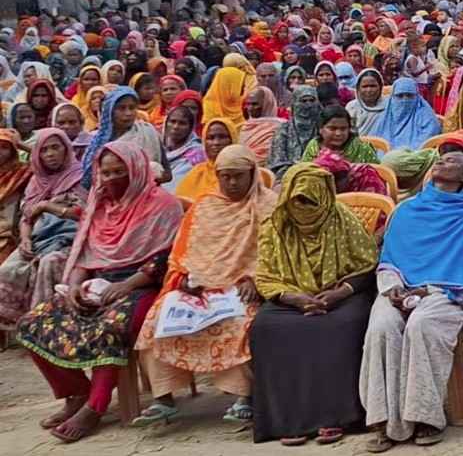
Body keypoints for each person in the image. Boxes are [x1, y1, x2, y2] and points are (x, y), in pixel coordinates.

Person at [15, 142, 183, 444]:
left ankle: (96, 405)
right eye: (106, 173)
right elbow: (85, 254)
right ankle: (77, 392)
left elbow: (167, 258)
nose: (111, 179)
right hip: (98, 283)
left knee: (112, 326)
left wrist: (126, 285)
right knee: (32, 323)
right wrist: (74, 286)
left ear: (136, 171)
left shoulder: (163, 205)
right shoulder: (99, 205)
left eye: (119, 172)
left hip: (144, 285)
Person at [132, 143, 276, 426]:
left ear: (252, 174)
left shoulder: (269, 206)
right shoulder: (204, 206)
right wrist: (184, 278)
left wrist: (255, 280)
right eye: (225, 176)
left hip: (242, 287)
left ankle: (243, 397)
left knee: (240, 320)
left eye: (238, 176)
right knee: (157, 317)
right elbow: (182, 251)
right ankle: (164, 399)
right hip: (199, 286)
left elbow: (276, 254)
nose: (231, 183)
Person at [360, 150, 463, 451]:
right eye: (440, 160)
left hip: (444, 292)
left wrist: (428, 290)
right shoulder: (406, 210)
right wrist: (393, 288)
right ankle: (384, 420)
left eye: (452, 161)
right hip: (399, 288)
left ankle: (425, 417)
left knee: (422, 325)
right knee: (381, 326)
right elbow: (389, 259)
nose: (441, 162)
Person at [250, 163, 379, 445]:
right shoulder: (275, 225)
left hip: (342, 293)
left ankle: (339, 417)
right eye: (298, 200)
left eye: (311, 200)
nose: (304, 207)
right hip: (290, 295)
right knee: (266, 327)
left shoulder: (343, 220)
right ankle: (287, 420)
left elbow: (367, 264)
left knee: (343, 327)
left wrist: (338, 294)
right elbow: (266, 274)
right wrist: (293, 298)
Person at [0, 128, 85, 330]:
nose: (50, 154)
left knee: (49, 263)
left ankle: (44, 325)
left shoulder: (80, 177)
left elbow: (85, 214)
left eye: (55, 148)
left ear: (66, 149)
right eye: (44, 150)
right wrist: (25, 240)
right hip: (39, 238)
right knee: (8, 269)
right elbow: (27, 218)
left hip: (72, 239)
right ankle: (15, 328)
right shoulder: (35, 181)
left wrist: (48, 206)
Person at [365, 77, 442, 152]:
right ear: (392, 97)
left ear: (417, 96)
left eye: (409, 95)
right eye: (400, 96)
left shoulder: (426, 116)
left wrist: (401, 155)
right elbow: (373, 140)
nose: (404, 100)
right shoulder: (385, 115)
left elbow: (428, 138)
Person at [269, 86, 321, 179]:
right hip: (289, 176)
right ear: (294, 104)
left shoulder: (323, 127)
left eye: (312, 100)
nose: (308, 105)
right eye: (303, 101)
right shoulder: (283, 130)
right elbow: (278, 163)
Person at [345, 68, 388, 134]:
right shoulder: (352, 107)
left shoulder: (388, 105)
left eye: (373, 86)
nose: (369, 90)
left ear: (381, 86)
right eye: (365, 86)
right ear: (358, 88)